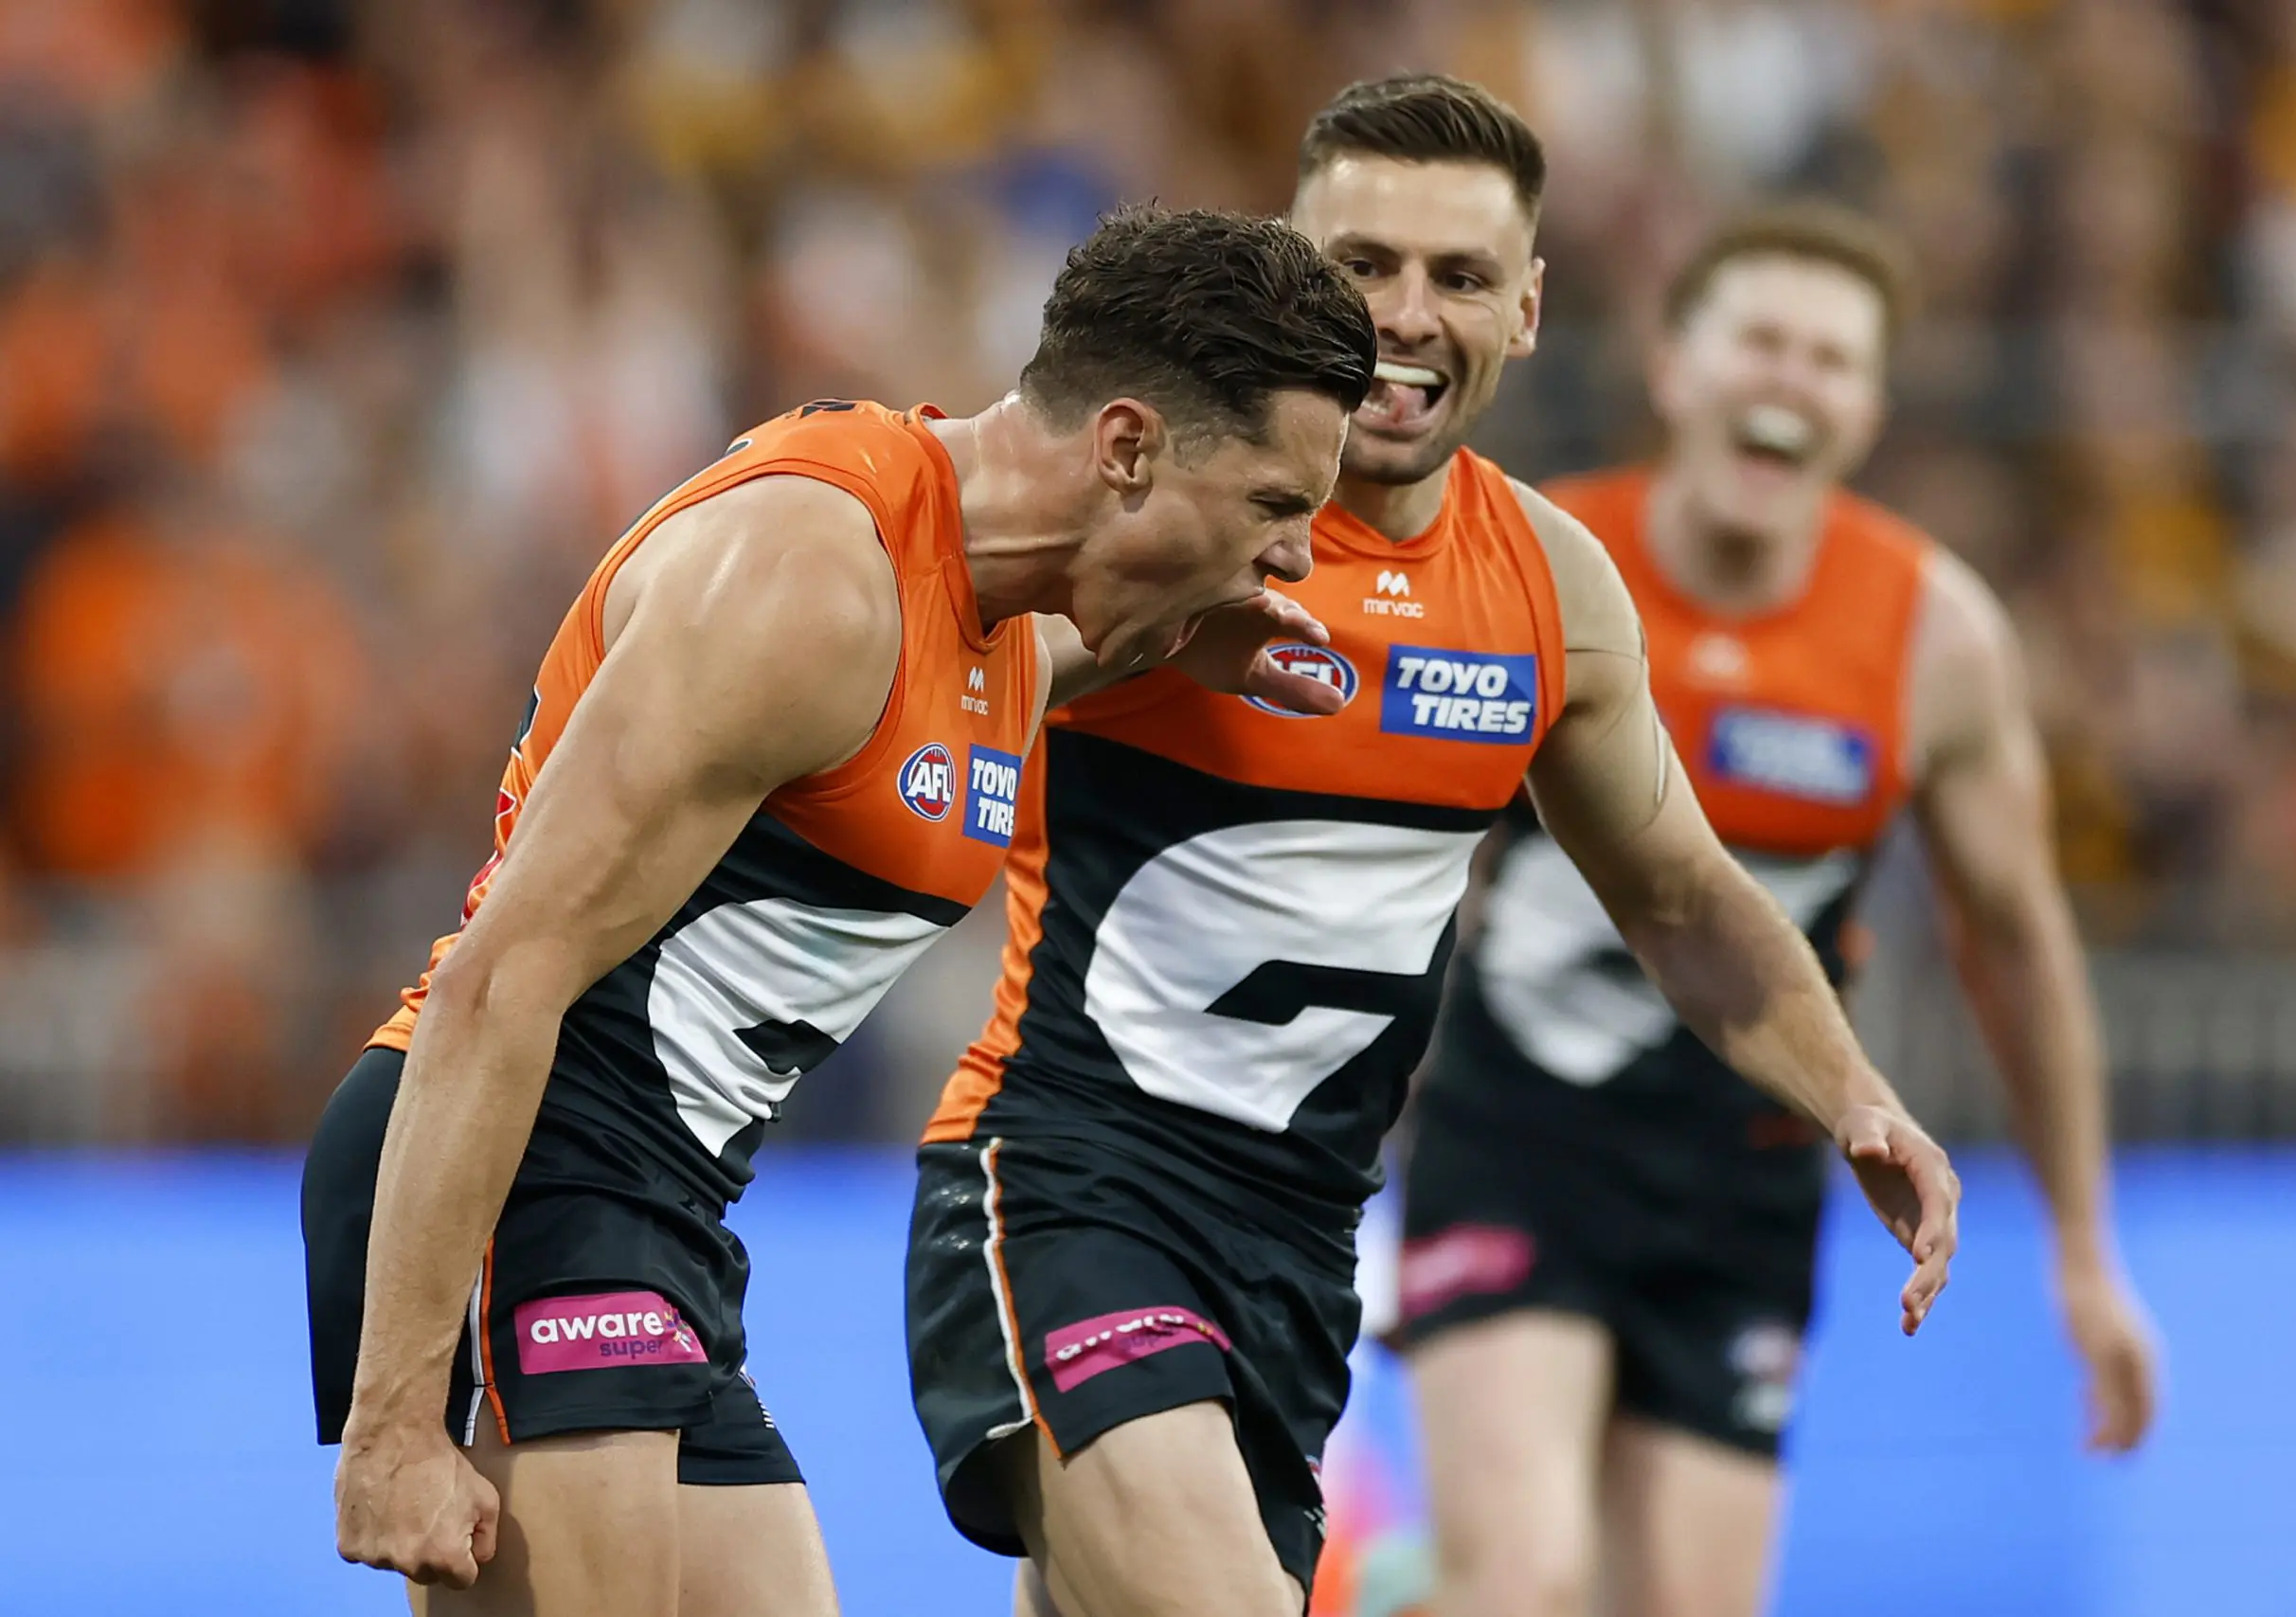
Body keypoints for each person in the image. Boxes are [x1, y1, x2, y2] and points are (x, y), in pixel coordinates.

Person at [904, 78, 1962, 1617]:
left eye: (1459, 276)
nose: (1406, 316)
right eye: (1363, 266)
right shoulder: (1153, 514)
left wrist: (1856, 1095)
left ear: (1526, 308)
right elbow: (880, 652)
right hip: (1073, 1184)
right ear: (1288, 263)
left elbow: (1680, 896)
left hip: (1300, 1246)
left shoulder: (1550, 588)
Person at [299, 205, 1378, 1616]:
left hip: (659, 1201)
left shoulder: (1001, 609)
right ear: (1126, 446)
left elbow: (1001, 670)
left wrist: (1193, 632)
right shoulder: (812, 579)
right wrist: (392, 1423)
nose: (1296, 559)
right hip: (529, 1167)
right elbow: (498, 982)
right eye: (1274, 507)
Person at [1390, 201, 2163, 1617]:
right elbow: (1387, 850)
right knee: (1529, 1581)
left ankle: (1389, 1589)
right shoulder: (1536, 567)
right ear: (1675, 369)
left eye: (1830, 359)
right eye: (1761, 341)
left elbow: (2020, 950)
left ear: (1868, 406)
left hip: (1744, 1179)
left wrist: (2084, 1252)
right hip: (1516, 1140)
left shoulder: (1935, 636)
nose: (1789, 382)